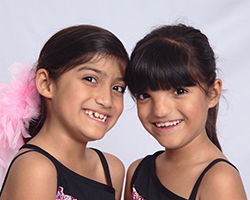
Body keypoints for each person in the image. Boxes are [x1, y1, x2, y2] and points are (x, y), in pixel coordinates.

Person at [0, 24, 129, 200]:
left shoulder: (111, 170)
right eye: (90, 79)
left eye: (117, 88)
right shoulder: (36, 169)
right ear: (46, 84)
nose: (106, 100)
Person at [124, 24, 247, 200]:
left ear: (213, 93)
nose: (160, 110)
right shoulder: (137, 172)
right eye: (144, 95)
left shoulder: (219, 180)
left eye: (179, 91)